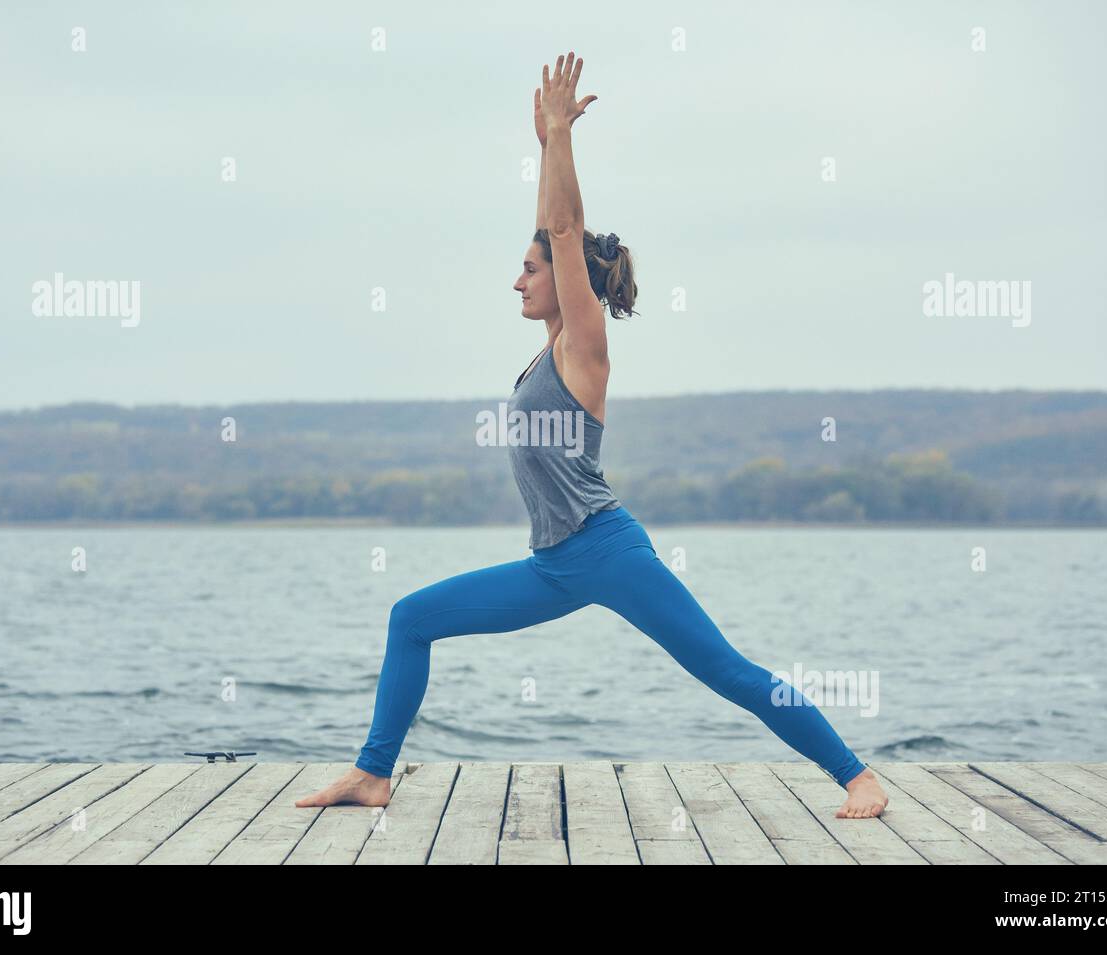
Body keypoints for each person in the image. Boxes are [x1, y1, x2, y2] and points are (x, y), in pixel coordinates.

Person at [298, 53, 889, 820]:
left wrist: (559, 140)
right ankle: (373, 772)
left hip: (609, 552)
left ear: (565, 281)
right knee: (411, 618)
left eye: (527, 269)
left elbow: (566, 229)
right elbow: (557, 229)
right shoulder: (549, 346)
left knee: (728, 670)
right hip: (553, 564)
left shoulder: (584, 345)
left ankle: (857, 774)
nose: (517, 280)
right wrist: (546, 145)